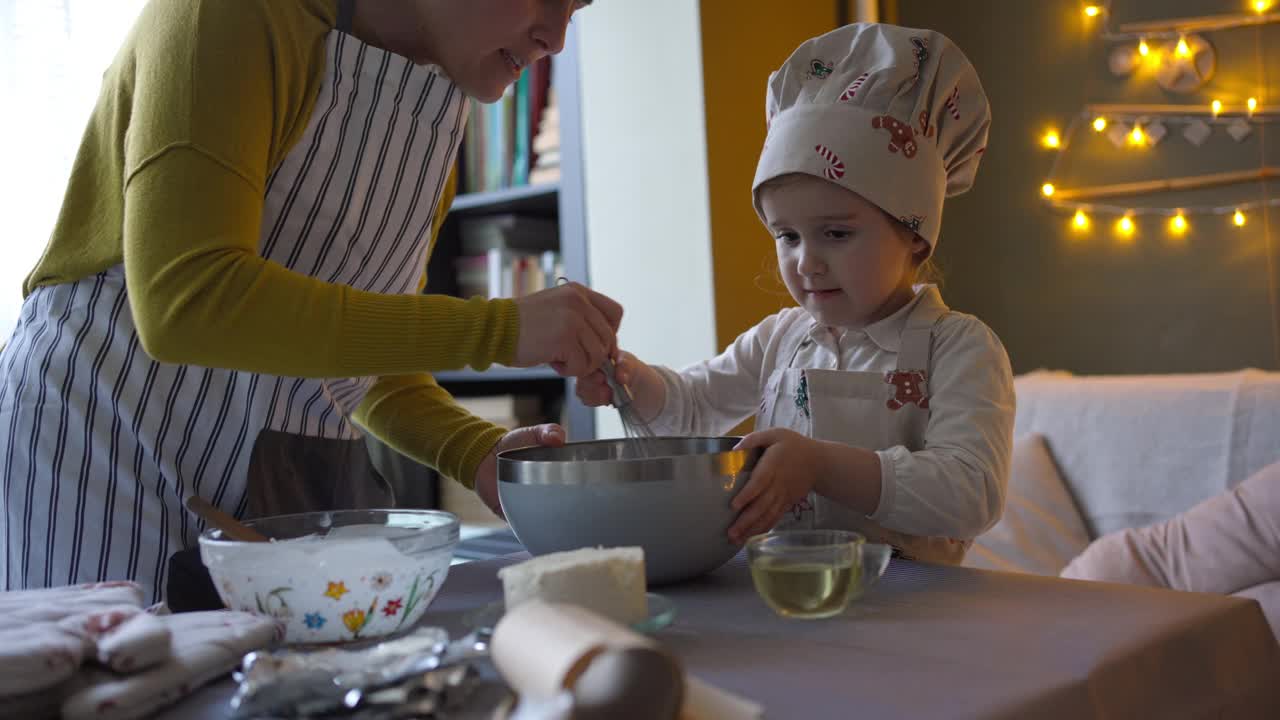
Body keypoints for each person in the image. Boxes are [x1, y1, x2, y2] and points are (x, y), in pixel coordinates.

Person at [0, 0, 618, 601]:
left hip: (268, 498)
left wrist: (478, 453)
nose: (557, 37)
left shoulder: (435, 112)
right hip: (98, 458)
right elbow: (187, 300)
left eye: (578, 6)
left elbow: (361, 363)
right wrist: (499, 330)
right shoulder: (225, 14)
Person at [578, 23, 1014, 563]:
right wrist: (629, 377)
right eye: (787, 236)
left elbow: (972, 491)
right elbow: (692, 409)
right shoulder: (779, 339)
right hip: (786, 596)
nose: (806, 261)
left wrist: (822, 465)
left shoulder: (959, 349)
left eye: (836, 233)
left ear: (914, 235)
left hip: (914, 614)